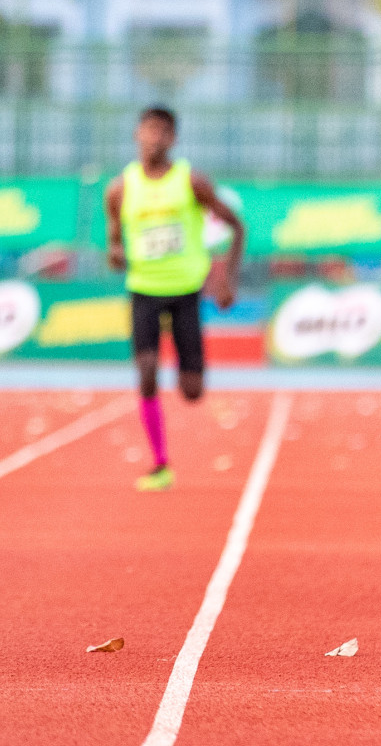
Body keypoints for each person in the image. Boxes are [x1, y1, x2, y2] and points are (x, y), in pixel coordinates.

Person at [106, 106, 245, 492]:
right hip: (143, 290)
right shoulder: (119, 189)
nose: (154, 138)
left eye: (162, 132)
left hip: (185, 292)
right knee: (147, 370)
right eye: (148, 130)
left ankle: (190, 370)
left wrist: (227, 279)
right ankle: (160, 463)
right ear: (136, 134)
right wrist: (115, 253)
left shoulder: (192, 182)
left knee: (192, 391)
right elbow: (114, 242)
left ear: (173, 139)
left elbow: (237, 227)